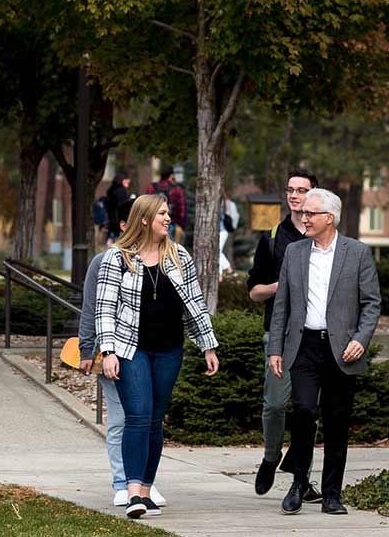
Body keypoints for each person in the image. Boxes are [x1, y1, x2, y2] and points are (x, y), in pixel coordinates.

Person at [96, 193, 220, 520]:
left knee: (154, 420)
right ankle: (132, 491)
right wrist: (107, 351)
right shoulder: (117, 258)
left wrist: (208, 345)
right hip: (129, 348)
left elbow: (195, 303)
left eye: (168, 213)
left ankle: (147, 491)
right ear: (145, 219)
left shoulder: (178, 256)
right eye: (162, 213)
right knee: (137, 414)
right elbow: (105, 309)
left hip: (169, 350)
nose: (169, 218)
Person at [265, 188, 380, 516]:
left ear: (329, 218)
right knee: (303, 411)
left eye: (311, 213)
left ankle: (332, 493)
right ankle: (299, 482)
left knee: (337, 420)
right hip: (303, 347)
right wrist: (276, 348)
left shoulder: (357, 253)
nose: (304, 217)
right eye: (303, 213)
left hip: (342, 349)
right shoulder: (295, 253)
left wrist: (361, 338)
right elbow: (282, 305)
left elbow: (372, 303)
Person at [80, 200, 171, 509]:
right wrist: (87, 348)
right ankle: (123, 484)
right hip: (115, 351)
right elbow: (94, 307)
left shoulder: (170, 256)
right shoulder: (106, 261)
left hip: (155, 350)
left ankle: (144, 485)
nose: (167, 218)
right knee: (125, 418)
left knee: (146, 418)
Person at [245, 170, 319, 500]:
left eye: (302, 190)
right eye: (290, 189)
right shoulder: (274, 237)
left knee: (307, 411)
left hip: (316, 337)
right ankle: (271, 456)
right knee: (275, 405)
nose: (294, 195)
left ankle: (301, 479)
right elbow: (253, 292)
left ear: (314, 195)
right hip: (279, 335)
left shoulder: (325, 236)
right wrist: (280, 287)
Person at [145, 166, 187, 240]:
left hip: (152, 223)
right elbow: (182, 210)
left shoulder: (151, 187)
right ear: (171, 175)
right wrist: (181, 225)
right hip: (171, 223)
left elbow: (145, 205)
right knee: (170, 247)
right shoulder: (176, 189)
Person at [104, 175, 133, 243]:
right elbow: (123, 206)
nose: (128, 182)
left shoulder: (112, 190)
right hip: (118, 219)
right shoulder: (121, 191)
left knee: (111, 236)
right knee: (120, 237)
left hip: (112, 218)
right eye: (126, 180)